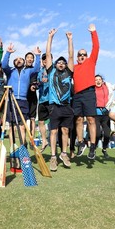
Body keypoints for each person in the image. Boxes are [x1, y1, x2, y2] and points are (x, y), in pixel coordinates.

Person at [45, 28, 74, 171]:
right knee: (53, 131)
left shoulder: (69, 72)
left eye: (63, 63)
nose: (62, 64)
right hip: (54, 106)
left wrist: (70, 40)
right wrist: (50, 37)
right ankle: (53, 157)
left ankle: (64, 153)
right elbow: (49, 54)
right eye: (59, 62)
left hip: (67, 106)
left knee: (65, 131)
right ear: (55, 64)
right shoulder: (51, 72)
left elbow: (70, 56)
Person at [2, 43, 41, 147]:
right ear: (14, 63)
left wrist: (37, 55)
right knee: (11, 126)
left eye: (20, 59)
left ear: (24, 62)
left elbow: (37, 68)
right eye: (16, 59)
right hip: (11, 100)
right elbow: (4, 64)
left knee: (22, 126)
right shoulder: (10, 71)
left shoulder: (28, 71)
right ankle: (12, 148)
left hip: (23, 101)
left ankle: (22, 148)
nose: (18, 60)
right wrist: (8, 53)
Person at [73, 24, 99, 160]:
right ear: (77, 57)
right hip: (77, 95)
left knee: (90, 119)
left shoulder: (91, 62)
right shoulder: (74, 66)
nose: (82, 56)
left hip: (89, 93)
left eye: (84, 54)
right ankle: (81, 142)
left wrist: (93, 33)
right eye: (80, 55)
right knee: (78, 119)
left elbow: (96, 47)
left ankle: (93, 146)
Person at [94, 74, 115, 158]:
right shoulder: (92, 89)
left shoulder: (107, 87)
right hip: (95, 114)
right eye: (96, 80)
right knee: (97, 134)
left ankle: (104, 149)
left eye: (99, 79)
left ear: (102, 81)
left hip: (105, 113)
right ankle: (94, 149)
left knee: (107, 134)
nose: (98, 81)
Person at [37, 53, 51, 152]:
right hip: (42, 100)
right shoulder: (40, 71)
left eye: (47, 59)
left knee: (54, 122)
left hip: (52, 100)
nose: (45, 61)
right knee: (41, 122)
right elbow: (38, 83)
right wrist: (37, 84)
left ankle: (54, 140)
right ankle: (44, 140)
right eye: (44, 59)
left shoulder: (54, 70)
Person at [26, 52, 39, 149]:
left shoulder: (35, 70)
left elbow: (38, 82)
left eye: (32, 58)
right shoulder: (22, 70)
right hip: (23, 97)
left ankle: (32, 139)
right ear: (25, 59)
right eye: (28, 57)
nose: (30, 59)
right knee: (22, 119)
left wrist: (35, 86)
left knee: (32, 118)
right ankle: (23, 139)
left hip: (33, 97)